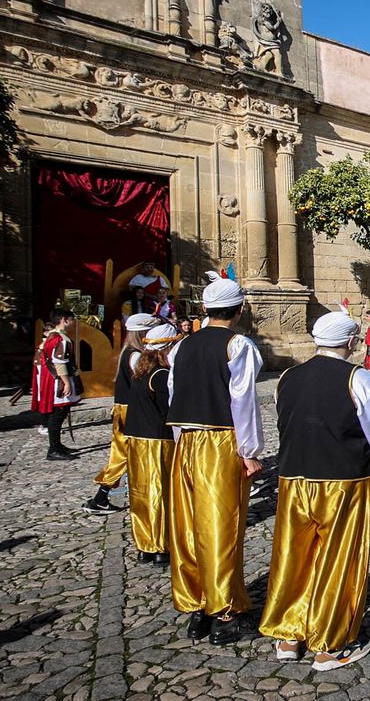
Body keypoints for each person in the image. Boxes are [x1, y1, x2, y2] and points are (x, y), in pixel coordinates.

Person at [261, 309, 370, 670]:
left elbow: (284, 420)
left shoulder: (287, 377)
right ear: (351, 342)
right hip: (344, 480)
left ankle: (289, 634)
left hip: (294, 477)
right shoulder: (358, 378)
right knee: (339, 557)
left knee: (293, 554)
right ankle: (331, 643)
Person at [166, 271, 264, 646]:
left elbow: (175, 393)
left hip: (187, 442)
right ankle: (225, 612)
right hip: (220, 441)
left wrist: (181, 440)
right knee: (222, 526)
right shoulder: (238, 346)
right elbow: (243, 402)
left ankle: (198, 605)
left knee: (190, 526)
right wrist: (249, 452)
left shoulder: (181, 347)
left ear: (206, 309)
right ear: (239, 310)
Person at [82, 313, 160, 515]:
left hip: (125, 408)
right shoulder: (135, 356)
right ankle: (101, 497)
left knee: (126, 453)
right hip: (129, 409)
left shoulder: (129, 351)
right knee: (123, 454)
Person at [123, 322, 181, 566]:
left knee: (140, 492)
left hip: (136, 439)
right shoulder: (161, 376)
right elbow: (168, 411)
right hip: (157, 441)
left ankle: (144, 544)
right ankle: (160, 545)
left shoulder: (140, 372)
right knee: (160, 491)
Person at [32, 309, 83, 460]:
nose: (72, 322)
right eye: (71, 319)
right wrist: (66, 383)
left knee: (58, 413)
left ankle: (57, 445)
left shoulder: (52, 337)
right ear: (63, 320)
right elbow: (59, 363)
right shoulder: (60, 339)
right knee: (57, 415)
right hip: (57, 380)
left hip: (52, 379)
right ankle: (53, 449)